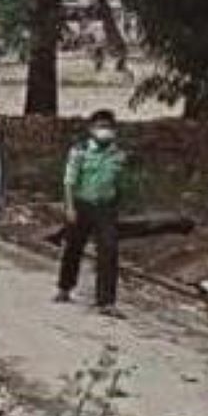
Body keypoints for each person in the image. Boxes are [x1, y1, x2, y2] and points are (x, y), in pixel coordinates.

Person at [57, 109, 130, 317]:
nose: (104, 131)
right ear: (91, 129)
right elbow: (69, 181)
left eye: (108, 127)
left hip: (105, 207)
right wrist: (70, 207)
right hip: (82, 204)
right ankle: (65, 287)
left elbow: (120, 183)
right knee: (73, 247)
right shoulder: (80, 151)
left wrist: (117, 207)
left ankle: (106, 301)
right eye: (100, 126)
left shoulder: (118, 155)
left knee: (109, 250)